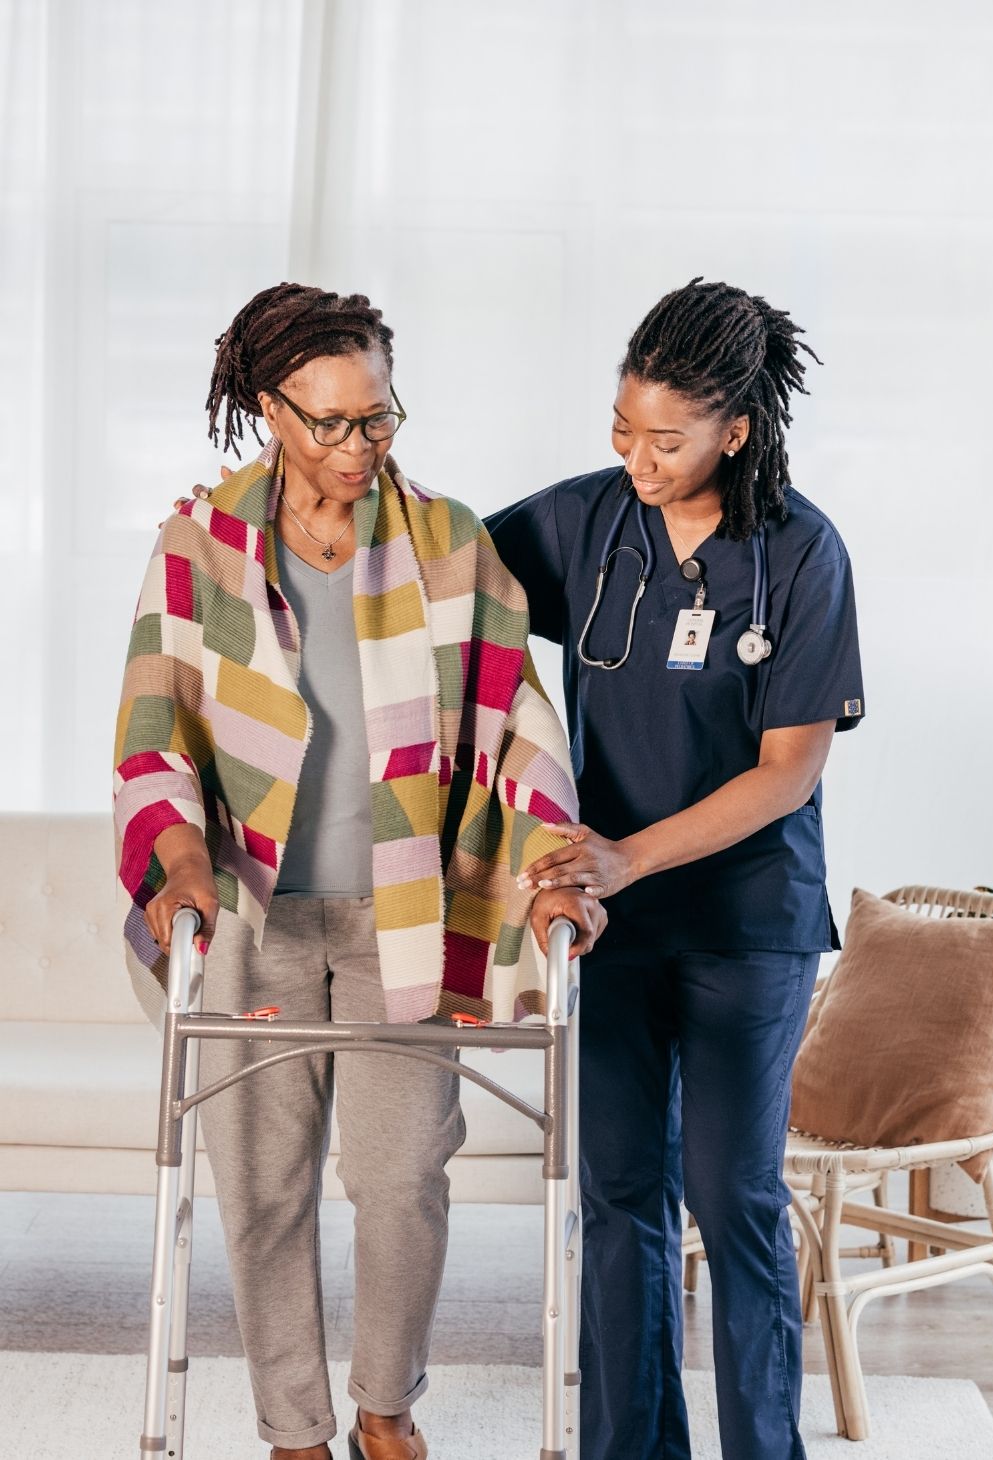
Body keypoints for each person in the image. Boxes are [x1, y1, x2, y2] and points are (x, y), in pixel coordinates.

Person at [114, 283, 605, 1460]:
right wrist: (175, 854)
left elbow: (516, 723)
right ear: (265, 407)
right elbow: (151, 732)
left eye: (377, 417)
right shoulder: (201, 544)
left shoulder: (448, 542)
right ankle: (294, 1431)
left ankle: (386, 1405)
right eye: (328, 421)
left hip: (403, 913)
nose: (356, 445)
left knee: (398, 1181)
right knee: (263, 1188)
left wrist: (552, 867)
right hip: (250, 914)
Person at [484, 278, 865, 1460]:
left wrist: (623, 856)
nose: (636, 459)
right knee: (615, 1203)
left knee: (733, 1198)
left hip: (748, 925)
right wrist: (263, 512)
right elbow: (437, 575)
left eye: (665, 438)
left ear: (734, 431)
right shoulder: (585, 523)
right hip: (609, 926)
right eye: (620, 429)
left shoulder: (802, 553)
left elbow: (787, 770)